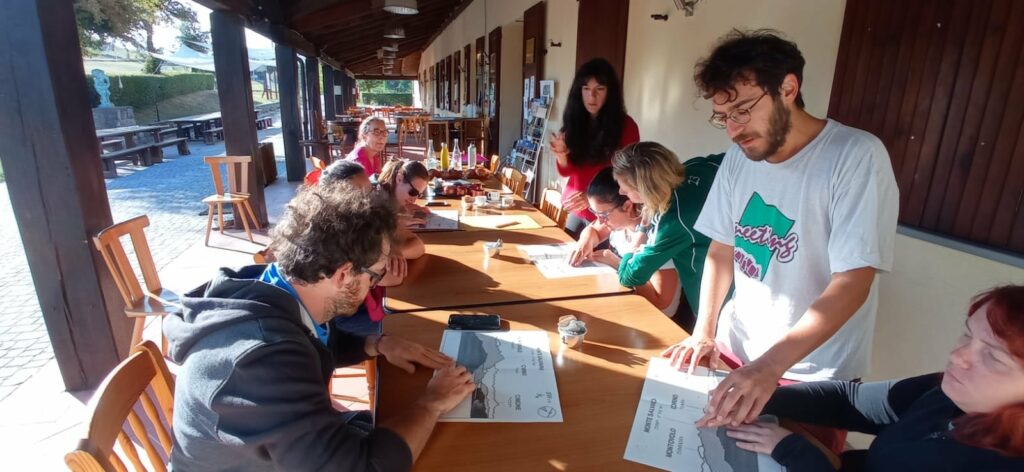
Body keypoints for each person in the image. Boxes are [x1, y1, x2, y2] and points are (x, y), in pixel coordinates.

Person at [661, 29, 900, 440]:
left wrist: (771, 366)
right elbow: (722, 249)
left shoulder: (855, 156)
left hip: (812, 373)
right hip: (738, 350)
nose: (734, 130)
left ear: (788, 87)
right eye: (724, 117)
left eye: (743, 110)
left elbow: (853, 281)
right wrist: (705, 331)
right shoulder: (740, 159)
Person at [165, 186, 475, 471]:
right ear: (344, 275)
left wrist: (377, 343)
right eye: (375, 276)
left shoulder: (271, 288)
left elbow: (315, 339)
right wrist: (431, 402)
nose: (375, 286)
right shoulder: (263, 364)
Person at [726, 285, 1024, 471]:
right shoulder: (951, 393)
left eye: (993, 357)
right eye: (967, 335)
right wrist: (765, 398)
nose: (959, 356)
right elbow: (851, 401)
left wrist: (793, 450)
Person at [599, 142, 722, 329]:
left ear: (645, 189)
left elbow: (629, 276)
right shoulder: (695, 166)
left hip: (713, 296)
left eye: (626, 189)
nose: (621, 192)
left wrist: (641, 232)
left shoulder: (673, 221)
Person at [569, 167, 684, 320]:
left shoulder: (656, 237)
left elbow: (661, 301)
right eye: (595, 213)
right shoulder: (619, 222)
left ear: (628, 206)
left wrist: (619, 264)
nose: (600, 220)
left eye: (603, 214)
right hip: (623, 302)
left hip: (653, 318)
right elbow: (593, 231)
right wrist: (583, 243)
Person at [549, 57, 640, 237]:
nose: (592, 96)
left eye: (600, 89)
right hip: (576, 207)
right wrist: (561, 155)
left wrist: (591, 197)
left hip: (607, 210)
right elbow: (568, 172)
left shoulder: (626, 126)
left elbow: (629, 174)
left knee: (596, 259)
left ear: (610, 93)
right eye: (586, 89)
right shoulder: (575, 123)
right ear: (579, 92)